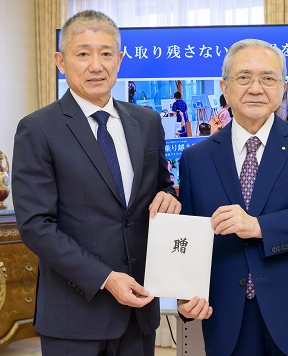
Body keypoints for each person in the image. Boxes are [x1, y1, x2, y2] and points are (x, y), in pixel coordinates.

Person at [12, 10, 181, 356]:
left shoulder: (147, 123)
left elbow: (161, 186)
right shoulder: (39, 129)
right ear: (61, 61)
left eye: (106, 53)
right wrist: (105, 278)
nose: (96, 65)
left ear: (119, 60)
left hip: (139, 311)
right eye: (83, 53)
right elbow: (36, 226)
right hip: (75, 316)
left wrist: (169, 196)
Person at [177, 39, 288, 355]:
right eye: (244, 78)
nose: (256, 88)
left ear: (282, 88)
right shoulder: (196, 158)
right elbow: (190, 236)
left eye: (268, 78)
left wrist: (258, 226)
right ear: (224, 87)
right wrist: (184, 295)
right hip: (227, 316)